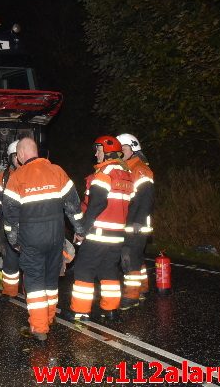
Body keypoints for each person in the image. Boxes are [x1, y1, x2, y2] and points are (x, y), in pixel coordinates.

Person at [3, 138, 84, 342]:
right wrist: (80, 230)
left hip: (31, 239)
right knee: (50, 278)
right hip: (56, 236)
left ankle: (39, 327)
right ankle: (49, 317)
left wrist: (13, 240)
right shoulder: (57, 171)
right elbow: (73, 205)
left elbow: (10, 215)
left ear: (21, 155)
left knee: (35, 279)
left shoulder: (17, 177)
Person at [63, 136, 133, 322]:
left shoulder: (104, 173)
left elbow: (97, 204)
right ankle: (111, 310)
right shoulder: (126, 175)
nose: (95, 153)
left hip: (98, 234)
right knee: (108, 271)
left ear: (108, 151)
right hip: (117, 235)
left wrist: (82, 230)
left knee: (84, 270)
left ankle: (80, 311)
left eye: (98, 150)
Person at [117, 133, 155, 309]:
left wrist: (138, 222)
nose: (119, 152)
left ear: (133, 148)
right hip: (128, 221)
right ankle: (143, 288)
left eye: (122, 149)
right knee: (136, 257)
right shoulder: (125, 168)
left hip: (137, 223)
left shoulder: (140, 169)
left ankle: (131, 296)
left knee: (128, 256)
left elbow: (147, 197)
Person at [0, 140, 22, 298]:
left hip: (29, 224)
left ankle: (33, 294)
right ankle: (9, 292)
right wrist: (0, 214)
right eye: (16, 156)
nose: (19, 158)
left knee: (32, 260)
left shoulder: (32, 173)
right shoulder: (4, 177)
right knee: (10, 259)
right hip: (9, 224)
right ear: (11, 158)